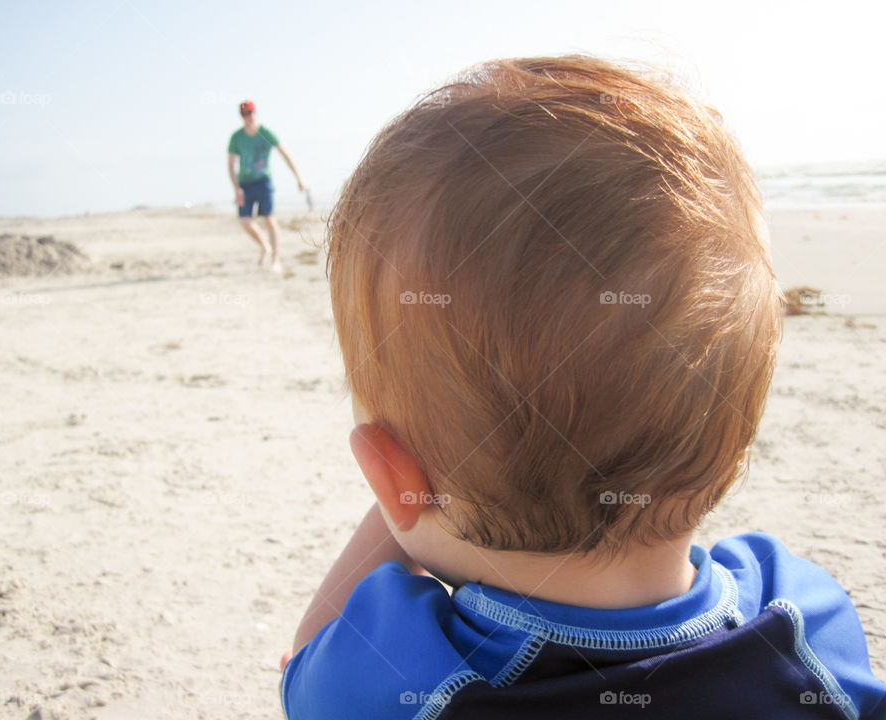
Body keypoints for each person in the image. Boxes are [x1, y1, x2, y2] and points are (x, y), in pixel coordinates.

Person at [280, 56, 886, 719]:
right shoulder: (805, 624)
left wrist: (412, 497)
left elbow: (304, 665)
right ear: (737, 442)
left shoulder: (409, 682)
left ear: (391, 475)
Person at [227, 100, 305, 273]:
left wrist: (298, 178)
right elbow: (231, 165)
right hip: (245, 184)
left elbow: (285, 155)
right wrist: (236, 188)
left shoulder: (266, 133)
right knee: (245, 222)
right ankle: (265, 247)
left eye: (250, 113)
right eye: (244, 114)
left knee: (269, 219)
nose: (248, 117)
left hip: (263, 181)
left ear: (256, 113)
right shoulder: (237, 137)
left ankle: (276, 260)